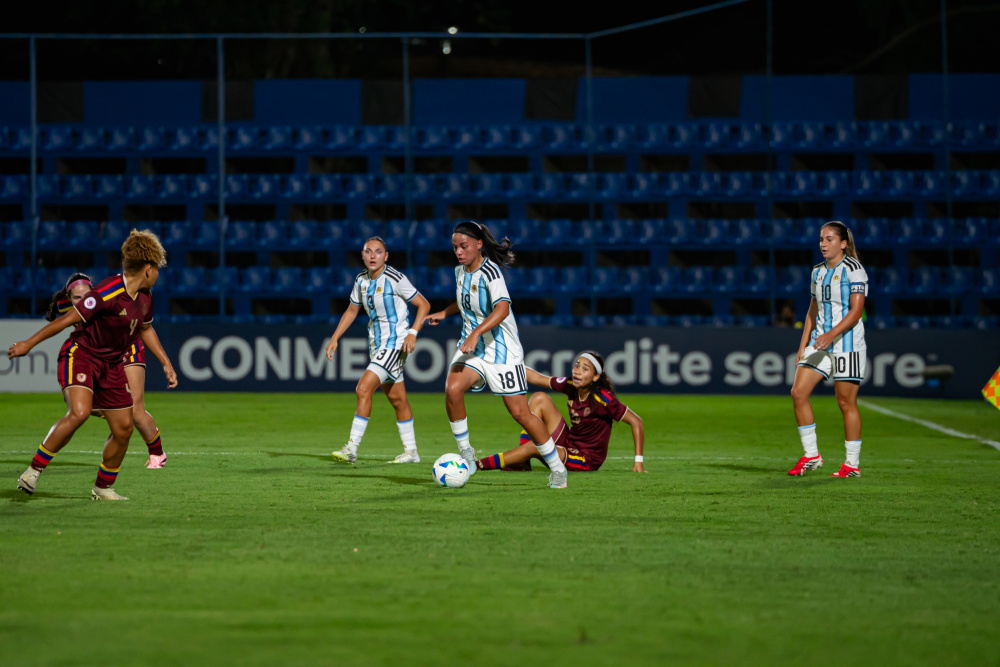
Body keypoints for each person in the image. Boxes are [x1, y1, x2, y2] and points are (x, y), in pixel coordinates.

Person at [8, 230, 176, 500]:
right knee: (80, 412)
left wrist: (166, 363)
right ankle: (33, 471)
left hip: (111, 366)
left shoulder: (145, 298)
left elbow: (146, 329)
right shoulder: (107, 292)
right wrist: (29, 343)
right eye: (157, 268)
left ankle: (103, 487)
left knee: (123, 428)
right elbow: (65, 320)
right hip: (81, 355)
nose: (158, 274)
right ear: (148, 269)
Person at [426, 220, 569, 489]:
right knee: (453, 387)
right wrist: (444, 313)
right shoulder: (460, 271)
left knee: (521, 414)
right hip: (475, 348)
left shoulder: (491, 273)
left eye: (464, 246)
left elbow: (502, 309)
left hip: (502, 352)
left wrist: (477, 332)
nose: (458, 251)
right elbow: (464, 299)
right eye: (455, 247)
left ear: (479, 244)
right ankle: (467, 455)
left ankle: (558, 468)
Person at [48, 272, 175, 469]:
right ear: (68, 298)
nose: (82, 300)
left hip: (128, 349)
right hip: (100, 356)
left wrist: (166, 363)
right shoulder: (64, 306)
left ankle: (158, 454)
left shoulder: (105, 297)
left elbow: (143, 326)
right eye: (76, 298)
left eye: (86, 295)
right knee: (84, 409)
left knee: (136, 410)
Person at [326, 236, 431, 464]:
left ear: (386, 256)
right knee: (398, 400)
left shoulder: (395, 278)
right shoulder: (361, 280)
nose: (373, 256)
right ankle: (412, 452)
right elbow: (352, 311)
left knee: (363, 389)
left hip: (395, 344)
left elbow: (424, 304)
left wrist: (413, 332)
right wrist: (335, 337)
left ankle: (351, 448)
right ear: (362, 255)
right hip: (377, 346)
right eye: (368, 251)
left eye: (378, 251)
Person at [474, 351, 646, 474]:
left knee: (537, 446)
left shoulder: (603, 399)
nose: (578, 371)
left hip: (586, 458)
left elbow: (636, 421)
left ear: (595, 377)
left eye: (585, 369)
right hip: (569, 441)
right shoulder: (571, 385)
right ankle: (522, 461)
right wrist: (505, 366)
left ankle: (478, 465)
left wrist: (638, 462)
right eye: (577, 366)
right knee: (539, 398)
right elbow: (539, 379)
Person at [788, 220, 868, 478]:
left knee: (846, 403)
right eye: (821, 239)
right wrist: (803, 345)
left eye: (829, 239)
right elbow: (812, 310)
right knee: (798, 392)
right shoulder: (817, 272)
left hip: (847, 344)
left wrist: (831, 335)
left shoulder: (855, 270)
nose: (823, 244)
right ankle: (812, 455)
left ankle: (851, 465)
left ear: (843, 243)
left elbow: (857, 312)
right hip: (820, 344)